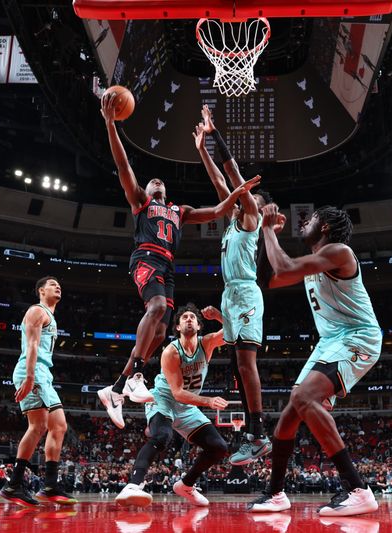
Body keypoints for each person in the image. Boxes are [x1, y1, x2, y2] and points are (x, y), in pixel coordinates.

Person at [96, 93, 262, 429]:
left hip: (168, 267)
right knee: (156, 308)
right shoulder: (141, 201)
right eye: (151, 180)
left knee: (159, 331)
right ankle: (136, 375)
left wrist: (237, 192)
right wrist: (111, 125)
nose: (155, 181)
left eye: (160, 181)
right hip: (146, 258)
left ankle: (115, 388)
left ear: (167, 191)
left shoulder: (179, 211)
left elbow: (217, 209)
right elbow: (123, 166)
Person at [247, 204, 383, 516]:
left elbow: (282, 267)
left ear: (325, 227)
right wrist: (261, 233)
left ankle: (357, 489)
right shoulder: (317, 262)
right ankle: (276, 493)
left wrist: (267, 229)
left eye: (312, 219)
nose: (305, 222)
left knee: (303, 396)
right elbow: (269, 279)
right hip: (330, 342)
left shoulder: (339, 252)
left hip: (357, 336)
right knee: (290, 414)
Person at [192, 105, 273, 465]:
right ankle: (255, 433)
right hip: (230, 295)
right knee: (240, 365)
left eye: (248, 196)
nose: (243, 198)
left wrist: (215, 134)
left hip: (244, 291)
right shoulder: (232, 221)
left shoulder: (251, 217)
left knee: (245, 363)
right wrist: (200, 150)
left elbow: (232, 176)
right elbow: (219, 183)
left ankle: (257, 433)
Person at [115, 304, 230, 508]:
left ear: (199, 325)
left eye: (192, 317)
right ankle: (132, 485)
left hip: (187, 407)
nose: (188, 319)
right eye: (184, 317)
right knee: (162, 436)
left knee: (219, 447)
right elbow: (177, 392)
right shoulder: (171, 351)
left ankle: (186, 485)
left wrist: (219, 316)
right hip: (163, 399)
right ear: (177, 327)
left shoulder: (208, 343)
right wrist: (208, 401)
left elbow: (234, 332)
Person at [0, 276, 76, 508]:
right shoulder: (36, 310)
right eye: (52, 284)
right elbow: (31, 345)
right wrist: (31, 378)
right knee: (38, 426)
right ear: (41, 290)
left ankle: (49, 485)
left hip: (43, 374)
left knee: (58, 426)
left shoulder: (50, 316)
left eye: (59, 283)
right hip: (32, 372)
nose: (57, 285)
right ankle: (14, 485)